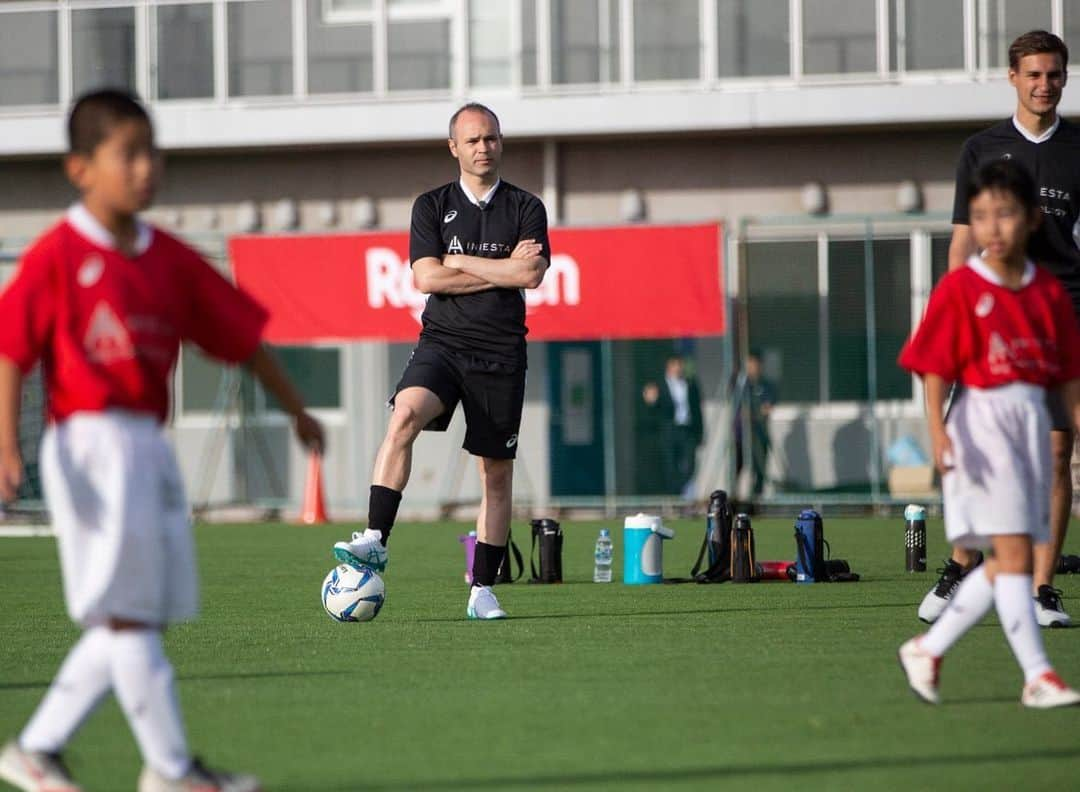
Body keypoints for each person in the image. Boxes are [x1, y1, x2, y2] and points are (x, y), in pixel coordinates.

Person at [0, 89, 324, 792]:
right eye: (130, 154)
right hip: (87, 444)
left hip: (147, 444)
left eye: (154, 152)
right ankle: (171, 771)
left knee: (134, 617)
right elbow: (11, 349)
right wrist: (4, 443)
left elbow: (242, 337)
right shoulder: (59, 254)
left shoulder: (167, 257)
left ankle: (37, 749)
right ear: (80, 168)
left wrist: (298, 409)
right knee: (129, 619)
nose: (147, 167)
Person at [332, 103, 549, 620]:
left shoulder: (526, 206)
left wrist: (463, 262)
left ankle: (482, 591)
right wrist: (502, 269)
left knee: (495, 474)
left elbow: (532, 275)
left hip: (501, 353)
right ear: (454, 147)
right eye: (472, 140)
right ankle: (375, 539)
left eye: (491, 138)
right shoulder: (431, 205)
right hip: (442, 344)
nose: (483, 147)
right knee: (404, 414)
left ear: (501, 143)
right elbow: (426, 279)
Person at [897, 159, 1080, 708]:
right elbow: (934, 367)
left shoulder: (1047, 292)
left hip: (1027, 426)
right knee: (1015, 557)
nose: (993, 227)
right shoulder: (961, 289)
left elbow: (1069, 373)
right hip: (981, 428)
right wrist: (937, 431)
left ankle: (928, 649)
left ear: (1030, 218)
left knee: (1004, 561)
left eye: (1004, 213)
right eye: (980, 216)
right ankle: (1038, 675)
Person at [922, 30, 1080, 627]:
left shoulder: (1078, 149)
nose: (1045, 85)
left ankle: (1042, 589)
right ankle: (962, 563)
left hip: (1064, 312)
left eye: (1055, 74)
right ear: (1012, 77)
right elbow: (962, 241)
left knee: (1057, 449)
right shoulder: (981, 149)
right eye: (1034, 74)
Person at [642, 354, 704, 497]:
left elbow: (697, 409)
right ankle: (674, 496)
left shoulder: (690, 383)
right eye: (675, 365)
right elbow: (654, 410)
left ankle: (682, 491)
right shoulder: (659, 385)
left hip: (687, 430)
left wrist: (700, 432)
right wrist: (651, 401)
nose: (678, 368)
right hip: (670, 431)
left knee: (690, 465)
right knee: (671, 466)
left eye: (680, 365)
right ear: (668, 366)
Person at [731, 350, 776, 499]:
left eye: (754, 364)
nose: (752, 367)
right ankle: (734, 498)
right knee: (737, 467)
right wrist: (755, 413)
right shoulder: (741, 385)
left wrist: (756, 413)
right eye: (749, 364)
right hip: (742, 435)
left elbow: (767, 407)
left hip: (760, 434)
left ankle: (757, 499)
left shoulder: (766, 385)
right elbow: (741, 410)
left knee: (760, 469)